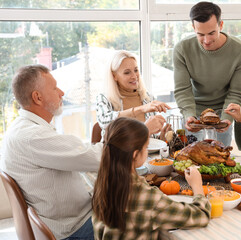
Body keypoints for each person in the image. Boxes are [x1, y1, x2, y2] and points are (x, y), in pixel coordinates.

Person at [0, 64, 165, 240]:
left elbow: (78, 153)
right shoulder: (33, 136)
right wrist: (143, 131)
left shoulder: (23, 128)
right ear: (37, 97)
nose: (61, 93)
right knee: (151, 221)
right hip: (74, 229)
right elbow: (100, 157)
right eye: (55, 88)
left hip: (64, 219)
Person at [92, 117, 210, 239]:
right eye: (146, 147)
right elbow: (201, 216)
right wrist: (197, 186)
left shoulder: (101, 182)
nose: (147, 151)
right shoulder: (146, 196)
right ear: (135, 154)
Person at [173, 1, 241, 146]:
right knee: (190, 161)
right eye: (200, 34)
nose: (207, 40)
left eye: (211, 33)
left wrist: (227, 118)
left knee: (218, 163)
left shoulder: (240, 52)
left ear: (220, 25)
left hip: (222, 114)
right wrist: (189, 115)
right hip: (193, 112)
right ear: (193, 27)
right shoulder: (182, 49)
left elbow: (235, 92)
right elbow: (183, 89)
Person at [96, 50, 171, 140]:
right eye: (127, 72)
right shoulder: (104, 98)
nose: (134, 76)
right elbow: (104, 121)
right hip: (117, 153)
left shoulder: (147, 98)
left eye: (136, 70)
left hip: (146, 154)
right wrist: (141, 110)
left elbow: (151, 140)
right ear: (114, 76)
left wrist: (162, 137)